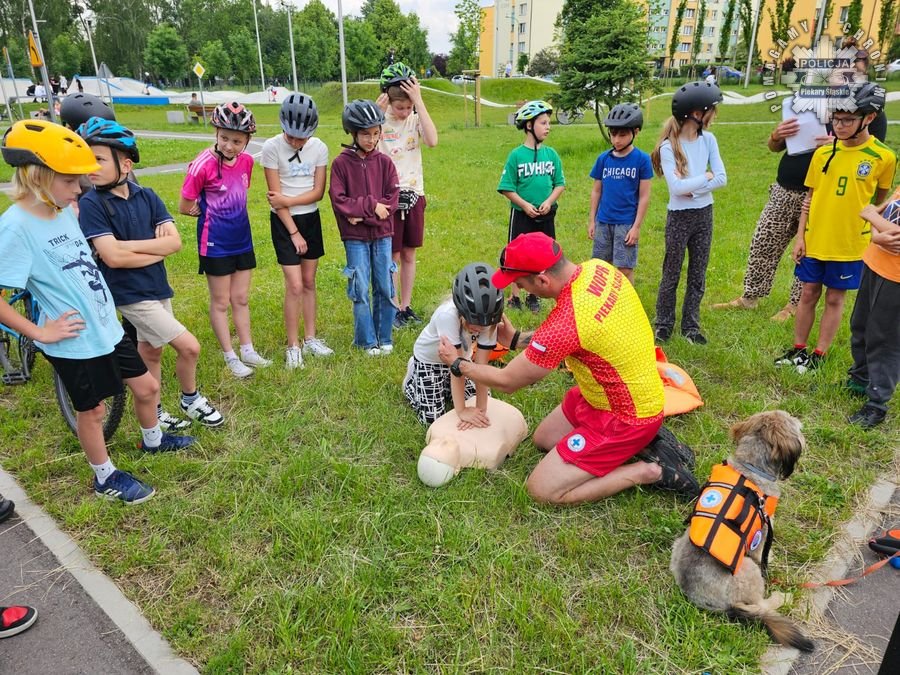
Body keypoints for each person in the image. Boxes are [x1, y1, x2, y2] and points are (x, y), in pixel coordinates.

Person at [0, 121, 194, 505]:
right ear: (41, 175)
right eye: (72, 181)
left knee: (148, 388)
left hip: (106, 328)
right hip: (75, 341)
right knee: (92, 411)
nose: (80, 190)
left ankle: (152, 440)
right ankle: (104, 477)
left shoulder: (63, 211)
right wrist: (38, 333)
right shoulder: (15, 227)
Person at [435, 233, 698, 505]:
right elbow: (570, 338)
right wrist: (515, 339)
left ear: (542, 280)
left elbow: (508, 380)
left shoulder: (567, 321)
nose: (522, 291)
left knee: (541, 490)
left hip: (625, 416)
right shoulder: (600, 268)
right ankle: (637, 444)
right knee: (544, 438)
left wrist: (458, 363)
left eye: (521, 284)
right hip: (611, 394)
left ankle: (647, 471)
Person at [76, 117, 225, 431]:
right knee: (189, 347)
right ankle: (190, 398)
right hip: (129, 294)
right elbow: (113, 258)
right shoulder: (92, 204)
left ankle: (155, 412)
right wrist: (148, 246)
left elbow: (174, 243)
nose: (91, 166)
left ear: (126, 165)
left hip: (157, 286)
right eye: (87, 159)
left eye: (99, 159)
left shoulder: (149, 196)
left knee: (151, 350)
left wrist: (130, 248)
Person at [775, 83, 895, 374]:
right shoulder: (822, 154)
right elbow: (810, 198)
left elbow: (879, 203)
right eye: (835, 119)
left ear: (868, 118)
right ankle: (799, 349)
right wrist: (801, 236)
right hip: (817, 239)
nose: (838, 126)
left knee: (834, 297)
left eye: (847, 120)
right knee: (807, 292)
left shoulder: (883, 158)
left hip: (849, 244)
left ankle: (820, 353)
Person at [179, 102, 272, 378]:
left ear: (247, 141)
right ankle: (230, 355)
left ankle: (247, 349)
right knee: (220, 301)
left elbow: (241, 191)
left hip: (241, 238)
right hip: (214, 242)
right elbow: (185, 206)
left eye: (237, 141)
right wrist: (202, 211)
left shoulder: (247, 161)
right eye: (224, 138)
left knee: (241, 298)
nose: (230, 146)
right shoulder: (201, 165)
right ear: (216, 133)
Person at [650, 81, 727, 345]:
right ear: (697, 113)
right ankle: (663, 324)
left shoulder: (710, 140)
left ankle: (691, 326)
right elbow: (675, 188)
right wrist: (703, 180)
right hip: (679, 218)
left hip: (704, 214)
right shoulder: (668, 147)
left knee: (698, 272)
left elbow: (721, 177)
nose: (713, 115)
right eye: (711, 110)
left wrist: (694, 189)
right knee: (671, 272)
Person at [261, 93, 333, 369]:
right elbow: (274, 197)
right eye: (291, 137)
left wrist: (288, 201)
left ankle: (310, 338)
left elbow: (318, 193)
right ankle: (293, 345)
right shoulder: (271, 148)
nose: (295, 142)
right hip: (284, 223)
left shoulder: (319, 148)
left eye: (301, 138)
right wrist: (293, 232)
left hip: (310, 219)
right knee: (294, 285)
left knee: (309, 281)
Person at [328, 99, 399, 355]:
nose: (372, 139)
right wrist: (371, 207)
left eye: (376, 133)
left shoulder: (385, 163)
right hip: (355, 238)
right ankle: (366, 340)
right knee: (360, 288)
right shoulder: (341, 164)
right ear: (353, 133)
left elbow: (392, 199)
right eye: (366, 134)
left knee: (385, 285)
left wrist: (360, 214)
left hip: (383, 235)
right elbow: (339, 200)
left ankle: (385, 336)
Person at [376, 63, 439, 327]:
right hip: (388, 197)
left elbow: (433, 140)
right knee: (392, 255)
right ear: (388, 100)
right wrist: (376, 114)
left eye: (407, 107)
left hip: (415, 194)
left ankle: (405, 306)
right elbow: (365, 145)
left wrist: (419, 103)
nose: (404, 112)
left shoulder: (414, 117)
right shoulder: (379, 120)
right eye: (399, 107)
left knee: (409, 254)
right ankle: (390, 308)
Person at [404, 263, 503, 427]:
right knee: (432, 419)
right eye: (473, 321)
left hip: (462, 361)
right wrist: (462, 411)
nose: (478, 328)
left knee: (483, 399)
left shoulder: (490, 319)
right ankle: (412, 378)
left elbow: (482, 366)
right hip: (431, 362)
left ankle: (446, 388)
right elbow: (455, 367)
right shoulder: (447, 315)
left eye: (483, 325)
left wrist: (481, 409)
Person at [497, 100, 566, 313]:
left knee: (542, 254)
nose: (548, 127)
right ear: (529, 125)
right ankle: (514, 296)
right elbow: (507, 187)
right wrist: (525, 205)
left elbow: (559, 184)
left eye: (548, 123)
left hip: (545, 215)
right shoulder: (516, 155)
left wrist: (549, 201)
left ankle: (533, 295)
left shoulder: (551, 154)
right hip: (522, 214)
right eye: (543, 123)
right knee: (517, 254)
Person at [847, 190, 900, 429]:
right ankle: (860, 379)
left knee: (884, 338)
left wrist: (872, 218)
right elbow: (876, 212)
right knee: (860, 324)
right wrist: (877, 235)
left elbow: (871, 213)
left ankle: (877, 404)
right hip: (875, 263)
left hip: (896, 278)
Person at [587, 103, 652, 284]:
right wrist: (592, 220)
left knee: (624, 268)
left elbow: (644, 196)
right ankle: (603, 303)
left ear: (635, 132)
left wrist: (636, 226)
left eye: (622, 135)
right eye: (613, 134)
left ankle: (626, 306)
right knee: (600, 267)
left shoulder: (642, 160)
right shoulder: (604, 159)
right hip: (603, 221)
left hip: (626, 223)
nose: (616, 140)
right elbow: (596, 191)